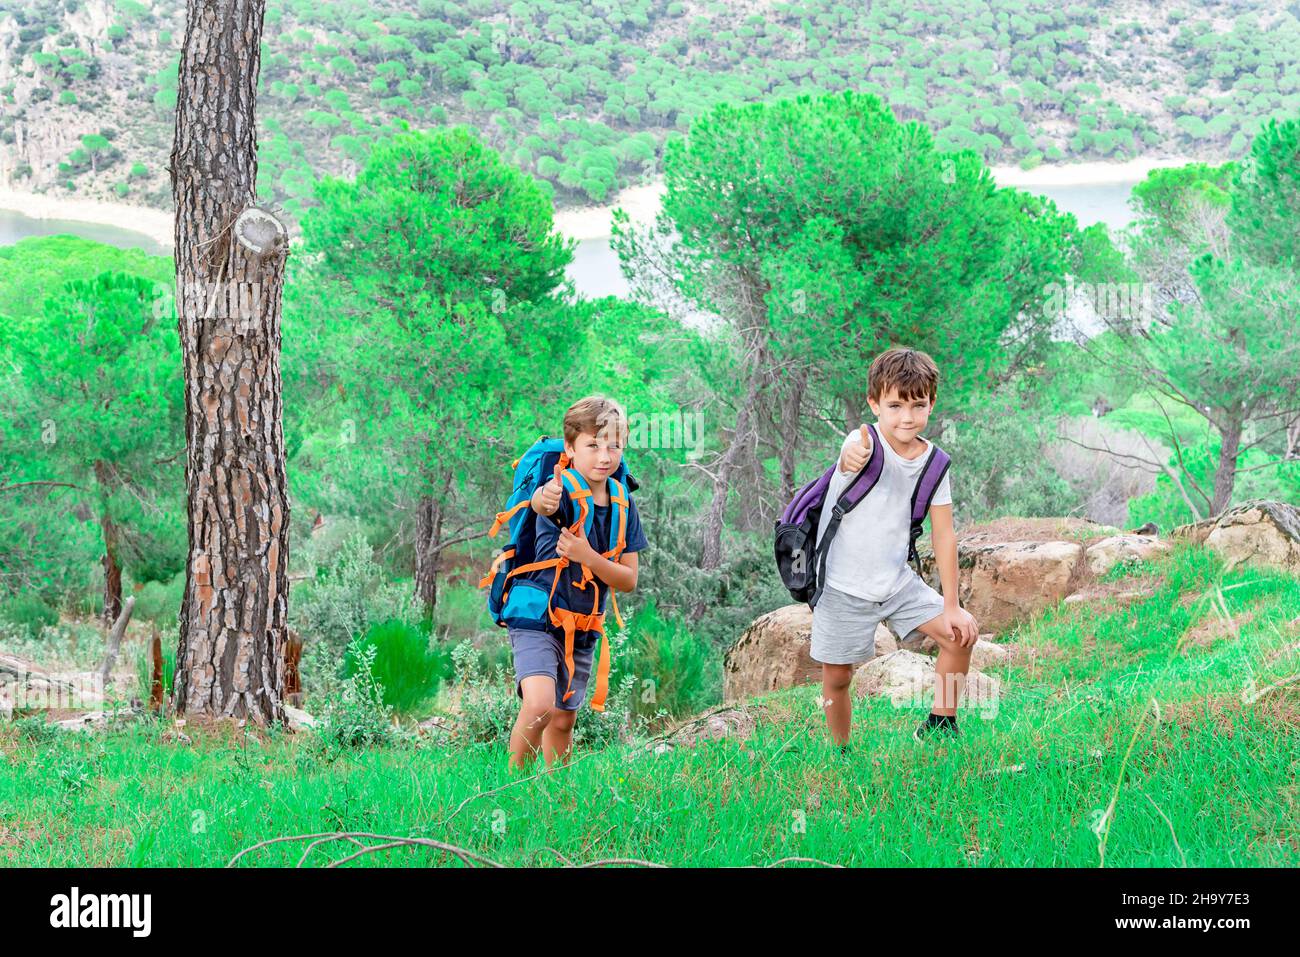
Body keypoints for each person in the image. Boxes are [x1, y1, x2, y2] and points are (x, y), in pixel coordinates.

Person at [811, 347, 980, 747]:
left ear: (931, 403)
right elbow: (850, 452)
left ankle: (940, 726)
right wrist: (849, 454)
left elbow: (944, 534)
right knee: (838, 677)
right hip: (842, 585)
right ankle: (842, 753)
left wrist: (952, 604)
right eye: (895, 405)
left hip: (897, 581)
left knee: (959, 636)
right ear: (874, 403)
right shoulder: (863, 441)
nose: (907, 417)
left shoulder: (934, 464)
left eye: (918, 405)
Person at [506, 395, 649, 769]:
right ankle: (509, 789)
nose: (604, 456)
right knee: (539, 705)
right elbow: (542, 504)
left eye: (613, 446)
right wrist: (542, 497)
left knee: (564, 717)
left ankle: (557, 792)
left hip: (584, 624)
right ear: (570, 447)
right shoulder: (560, 490)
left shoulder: (623, 504)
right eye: (593, 446)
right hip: (537, 615)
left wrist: (587, 556)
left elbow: (629, 579)